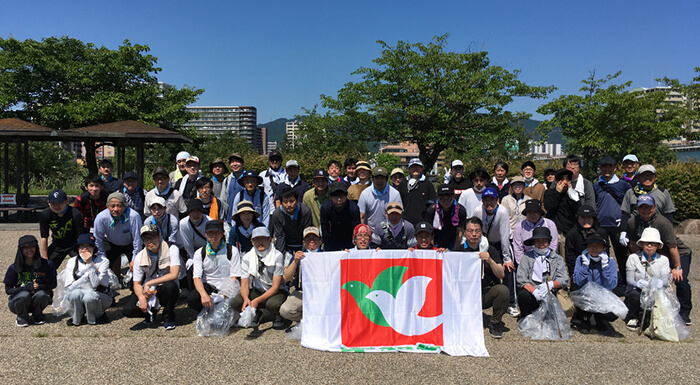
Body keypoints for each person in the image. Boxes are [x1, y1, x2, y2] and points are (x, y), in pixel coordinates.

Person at [626, 194, 692, 326]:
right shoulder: (632, 222)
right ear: (637, 209)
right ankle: (642, 308)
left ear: (654, 207)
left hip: (676, 253)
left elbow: (673, 247)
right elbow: (633, 244)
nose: (646, 211)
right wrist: (639, 261)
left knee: (680, 280)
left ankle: (684, 312)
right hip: (654, 253)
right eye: (642, 208)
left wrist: (677, 267)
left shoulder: (662, 222)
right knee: (645, 279)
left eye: (649, 207)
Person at [454, 217, 508, 338]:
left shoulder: (489, 249)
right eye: (470, 230)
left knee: (502, 291)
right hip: (464, 295)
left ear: (481, 232)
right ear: (465, 232)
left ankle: (495, 323)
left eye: (477, 231)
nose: (474, 234)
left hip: (484, 293)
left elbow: (501, 274)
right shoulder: (457, 251)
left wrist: (490, 260)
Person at [122, 224, 181, 330]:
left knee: (171, 287)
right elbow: (137, 283)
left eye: (152, 237)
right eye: (145, 239)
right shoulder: (140, 256)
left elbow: (174, 274)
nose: (149, 241)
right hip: (148, 290)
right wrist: (141, 297)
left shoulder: (171, 248)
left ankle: (168, 317)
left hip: (164, 285)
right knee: (128, 310)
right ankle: (150, 313)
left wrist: (150, 283)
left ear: (159, 236)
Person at [232, 227, 288, 329]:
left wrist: (257, 300)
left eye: (263, 238)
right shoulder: (247, 257)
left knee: (273, 304)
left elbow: (275, 287)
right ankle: (256, 312)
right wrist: (246, 299)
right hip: (258, 290)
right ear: (252, 241)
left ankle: (278, 315)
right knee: (236, 302)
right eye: (256, 239)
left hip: (276, 291)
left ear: (269, 239)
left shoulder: (277, 255)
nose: (260, 242)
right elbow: (244, 283)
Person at [188, 220, 242, 313]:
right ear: (205, 234)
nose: (214, 236)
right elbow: (197, 277)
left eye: (217, 233)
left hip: (227, 289)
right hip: (209, 287)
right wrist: (203, 294)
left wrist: (223, 295)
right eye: (210, 233)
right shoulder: (200, 253)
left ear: (222, 234)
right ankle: (206, 310)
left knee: (236, 303)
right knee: (193, 299)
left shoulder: (232, 250)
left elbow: (234, 277)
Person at [593, 156, 632, 286]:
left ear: (615, 168)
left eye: (610, 166)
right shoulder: (596, 185)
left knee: (621, 255)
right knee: (602, 255)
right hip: (601, 224)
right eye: (604, 166)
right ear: (600, 168)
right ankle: (605, 280)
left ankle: (626, 281)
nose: (607, 169)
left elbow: (629, 204)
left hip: (618, 224)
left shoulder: (623, 185)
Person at [4, 235, 57, 327]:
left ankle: (38, 315)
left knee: (42, 294)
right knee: (25, 294)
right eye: (25, 247)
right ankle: (22, 317)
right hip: (19, 302)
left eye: (32, 247)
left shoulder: (48, 265)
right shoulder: (13, 268)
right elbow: (8, 290)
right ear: (20, 250)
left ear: (36, 248)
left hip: (39, 298)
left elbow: (53, 284)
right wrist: (25, 288)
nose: (29, 250)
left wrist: (39, 286)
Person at [623, 227, 670, 331]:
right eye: (646, 243)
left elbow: (665, 281)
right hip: (637, 291)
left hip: (655, 292)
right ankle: (633, 318)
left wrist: (660, 283)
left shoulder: (664, 260)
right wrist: (637, 283)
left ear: (658, 245)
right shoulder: (633, 258)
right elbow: (629, 280)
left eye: (653, 243)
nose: (649, 246)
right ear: (642, 244)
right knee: (634, 295)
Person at [516, 227, 569, 318]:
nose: (541, 244)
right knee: (523, 295)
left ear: (548, 242)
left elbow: (564, 279)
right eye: (537, 241)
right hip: (533, 291)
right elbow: (521, 278)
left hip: (551, 292)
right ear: (533, 243)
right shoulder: (527, 257)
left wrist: (551, 284)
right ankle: (526, 317)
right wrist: (534, 291)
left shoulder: (557, 258)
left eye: (544, 241)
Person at [572, 233, 618, 335]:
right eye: (591, 246)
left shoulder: (610, 262)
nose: (594, 248)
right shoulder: (580, 259)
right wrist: (585, 265)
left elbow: (612, 284)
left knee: (613, 313)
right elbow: (578, 281)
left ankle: (600, 320)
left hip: (602, 295)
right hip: (585, 295)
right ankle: (585, 320)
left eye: (598, 246)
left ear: (603, 248)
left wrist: (605, 267)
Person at [63, 233, 112, 326]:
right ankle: (78, 318)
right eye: (82, 246)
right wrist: (85, 277)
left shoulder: (103, 261)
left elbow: (95, 284)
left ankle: (98, 316)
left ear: (94, 248)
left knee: (89, 296)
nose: (85, 249)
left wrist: (90, 264)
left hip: (101, 295)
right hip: (80, 294)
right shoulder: (72, 261)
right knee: (74, 294)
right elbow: (70, 287)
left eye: (89, 246)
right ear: (77, 249)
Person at [93, 192, 143, 280]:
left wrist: (135, 259)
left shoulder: (134, 216)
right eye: (112, 206)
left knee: (138, 266)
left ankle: (135, 288)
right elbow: (98, 238)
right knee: (101, 266)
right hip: (111, 243)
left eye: (119, 206)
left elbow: (137, 239)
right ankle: (104, 287)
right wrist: (102, 257)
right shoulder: (101, 217)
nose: (116, 209)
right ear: (107, 206)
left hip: (129, 244)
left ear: (125, 206)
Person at [279, 226, 322, 325]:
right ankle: (305, 322)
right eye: (308, 238)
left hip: (323, 293)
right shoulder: (299, 256)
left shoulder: (327, 255)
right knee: (286, 310)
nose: (311, 241)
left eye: (315, 238)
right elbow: (286, 278)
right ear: (303, 242)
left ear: (320, 241)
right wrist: (295, 261)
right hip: (302, 292)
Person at [39, 189, 86, 268]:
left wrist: (83, 254)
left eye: (60, 203)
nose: (57, 206)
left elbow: (81, 237)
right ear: (48, 203)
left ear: (67, 201)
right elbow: (44, 237)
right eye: (54, 203)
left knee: (84, 265)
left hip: (74, 244)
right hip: (58, 244)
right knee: (44, 267)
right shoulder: (45, 214)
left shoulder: (75, 213)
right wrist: (45, 257)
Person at [565, 205, 607, 284]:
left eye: (589, 217)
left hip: (599, 269)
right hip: (580, 268)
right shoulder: (572, 234)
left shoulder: (602, 233)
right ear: (578, 219)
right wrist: (574, 274)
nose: (586, 220)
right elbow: (570, 256)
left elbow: (606, 252)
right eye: (583, 218)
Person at [544, 168, 580, 256]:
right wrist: (558, 192)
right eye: (562, 179)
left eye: (567, 180)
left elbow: (577, 210)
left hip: (568, 232)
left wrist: (571, 193)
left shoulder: (573, 194)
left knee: (566, 260)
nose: (565, 182)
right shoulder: (549, 193)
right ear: (556, 181)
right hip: (554, 231)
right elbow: (549, 207)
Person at [512, 199, 559, 266]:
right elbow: (518, 249)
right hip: (528, 262)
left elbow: (553, 245)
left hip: (547, 261)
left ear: (540, 213)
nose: (532, 215)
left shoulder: (549, 224)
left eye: (535, 212)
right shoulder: (519, 227)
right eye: (529, 212)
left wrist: (547, 262)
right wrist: (524, 265)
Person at [358, 166, 403, 233]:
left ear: (386, 179)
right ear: (373, 179)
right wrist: (363, 232)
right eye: (377, 178)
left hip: (390, 231)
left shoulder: (395, 193)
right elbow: (362, 215)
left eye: (382, 178)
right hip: (370, 231)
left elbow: (399, 214)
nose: (379, 181)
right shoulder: (365, 193)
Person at [270, 188, 313, 254]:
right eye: (285, 202)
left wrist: (305, 252)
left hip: (302, 243)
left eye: (292, 201)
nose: (289, 205)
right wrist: (281, 255)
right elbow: (280, 236)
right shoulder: (277, 214)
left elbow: (307, 233)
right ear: (281, 203)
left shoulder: (305, 211)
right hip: (286, 244)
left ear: (297, 200)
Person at [321, 182, 361, 251]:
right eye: (336, 196)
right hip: (332, 239)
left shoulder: (353, 208)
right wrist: (327, 248)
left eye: (342, 196)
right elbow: (325, 230)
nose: (339, 200)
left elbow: (356, 229)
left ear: (346, 196)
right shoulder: (325, 208)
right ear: (331, 197)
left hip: (349, 239)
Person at [424, 184, 466, 249]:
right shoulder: (432, 210)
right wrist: (432, 248)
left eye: (449, 198)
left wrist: (455, 249)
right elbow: (430, 231)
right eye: (442, 199)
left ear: (454, 196)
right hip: (436, 239)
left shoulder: (460, 210)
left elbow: (460, 231)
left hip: (453, 240)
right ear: (437, 197)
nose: (446, 201)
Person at [398, 158, 437, 226]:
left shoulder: (427, 184)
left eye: (417, 167)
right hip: (406, 222)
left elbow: (432, 204)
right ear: (409, 169)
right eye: (413, 167)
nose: (415, 169)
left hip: (423, 222)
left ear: (421, 169)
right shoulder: (403, 184)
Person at [220, 153, 246, 220]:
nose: (234, 164)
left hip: (246, 219)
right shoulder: (227, 180)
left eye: (237, 161)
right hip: (230, 219)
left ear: (243, 164)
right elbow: (223, 200)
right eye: (232, 162)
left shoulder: (248, 179)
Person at [259, 150, 285, 215]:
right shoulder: (263, 175)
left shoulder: (286, 174)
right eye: (272, 159)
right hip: (268, 211)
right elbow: (260, 193)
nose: (275, 161)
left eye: (277, 159)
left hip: (284, 210)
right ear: (269, 161)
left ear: (281, 161)